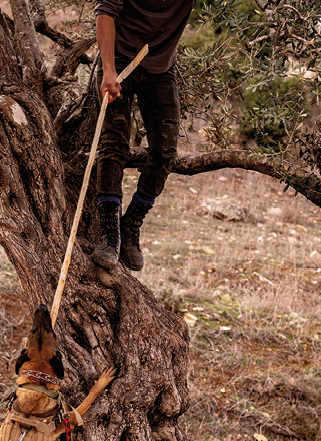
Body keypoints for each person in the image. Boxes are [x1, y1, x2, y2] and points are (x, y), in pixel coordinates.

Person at [92, 0, 194, 271]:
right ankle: (110, 234)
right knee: (113, 143)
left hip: (161, 70)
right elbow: (105, 12)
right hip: (118, 59)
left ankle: (131, 224)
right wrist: (108, 70)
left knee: (165, 154)